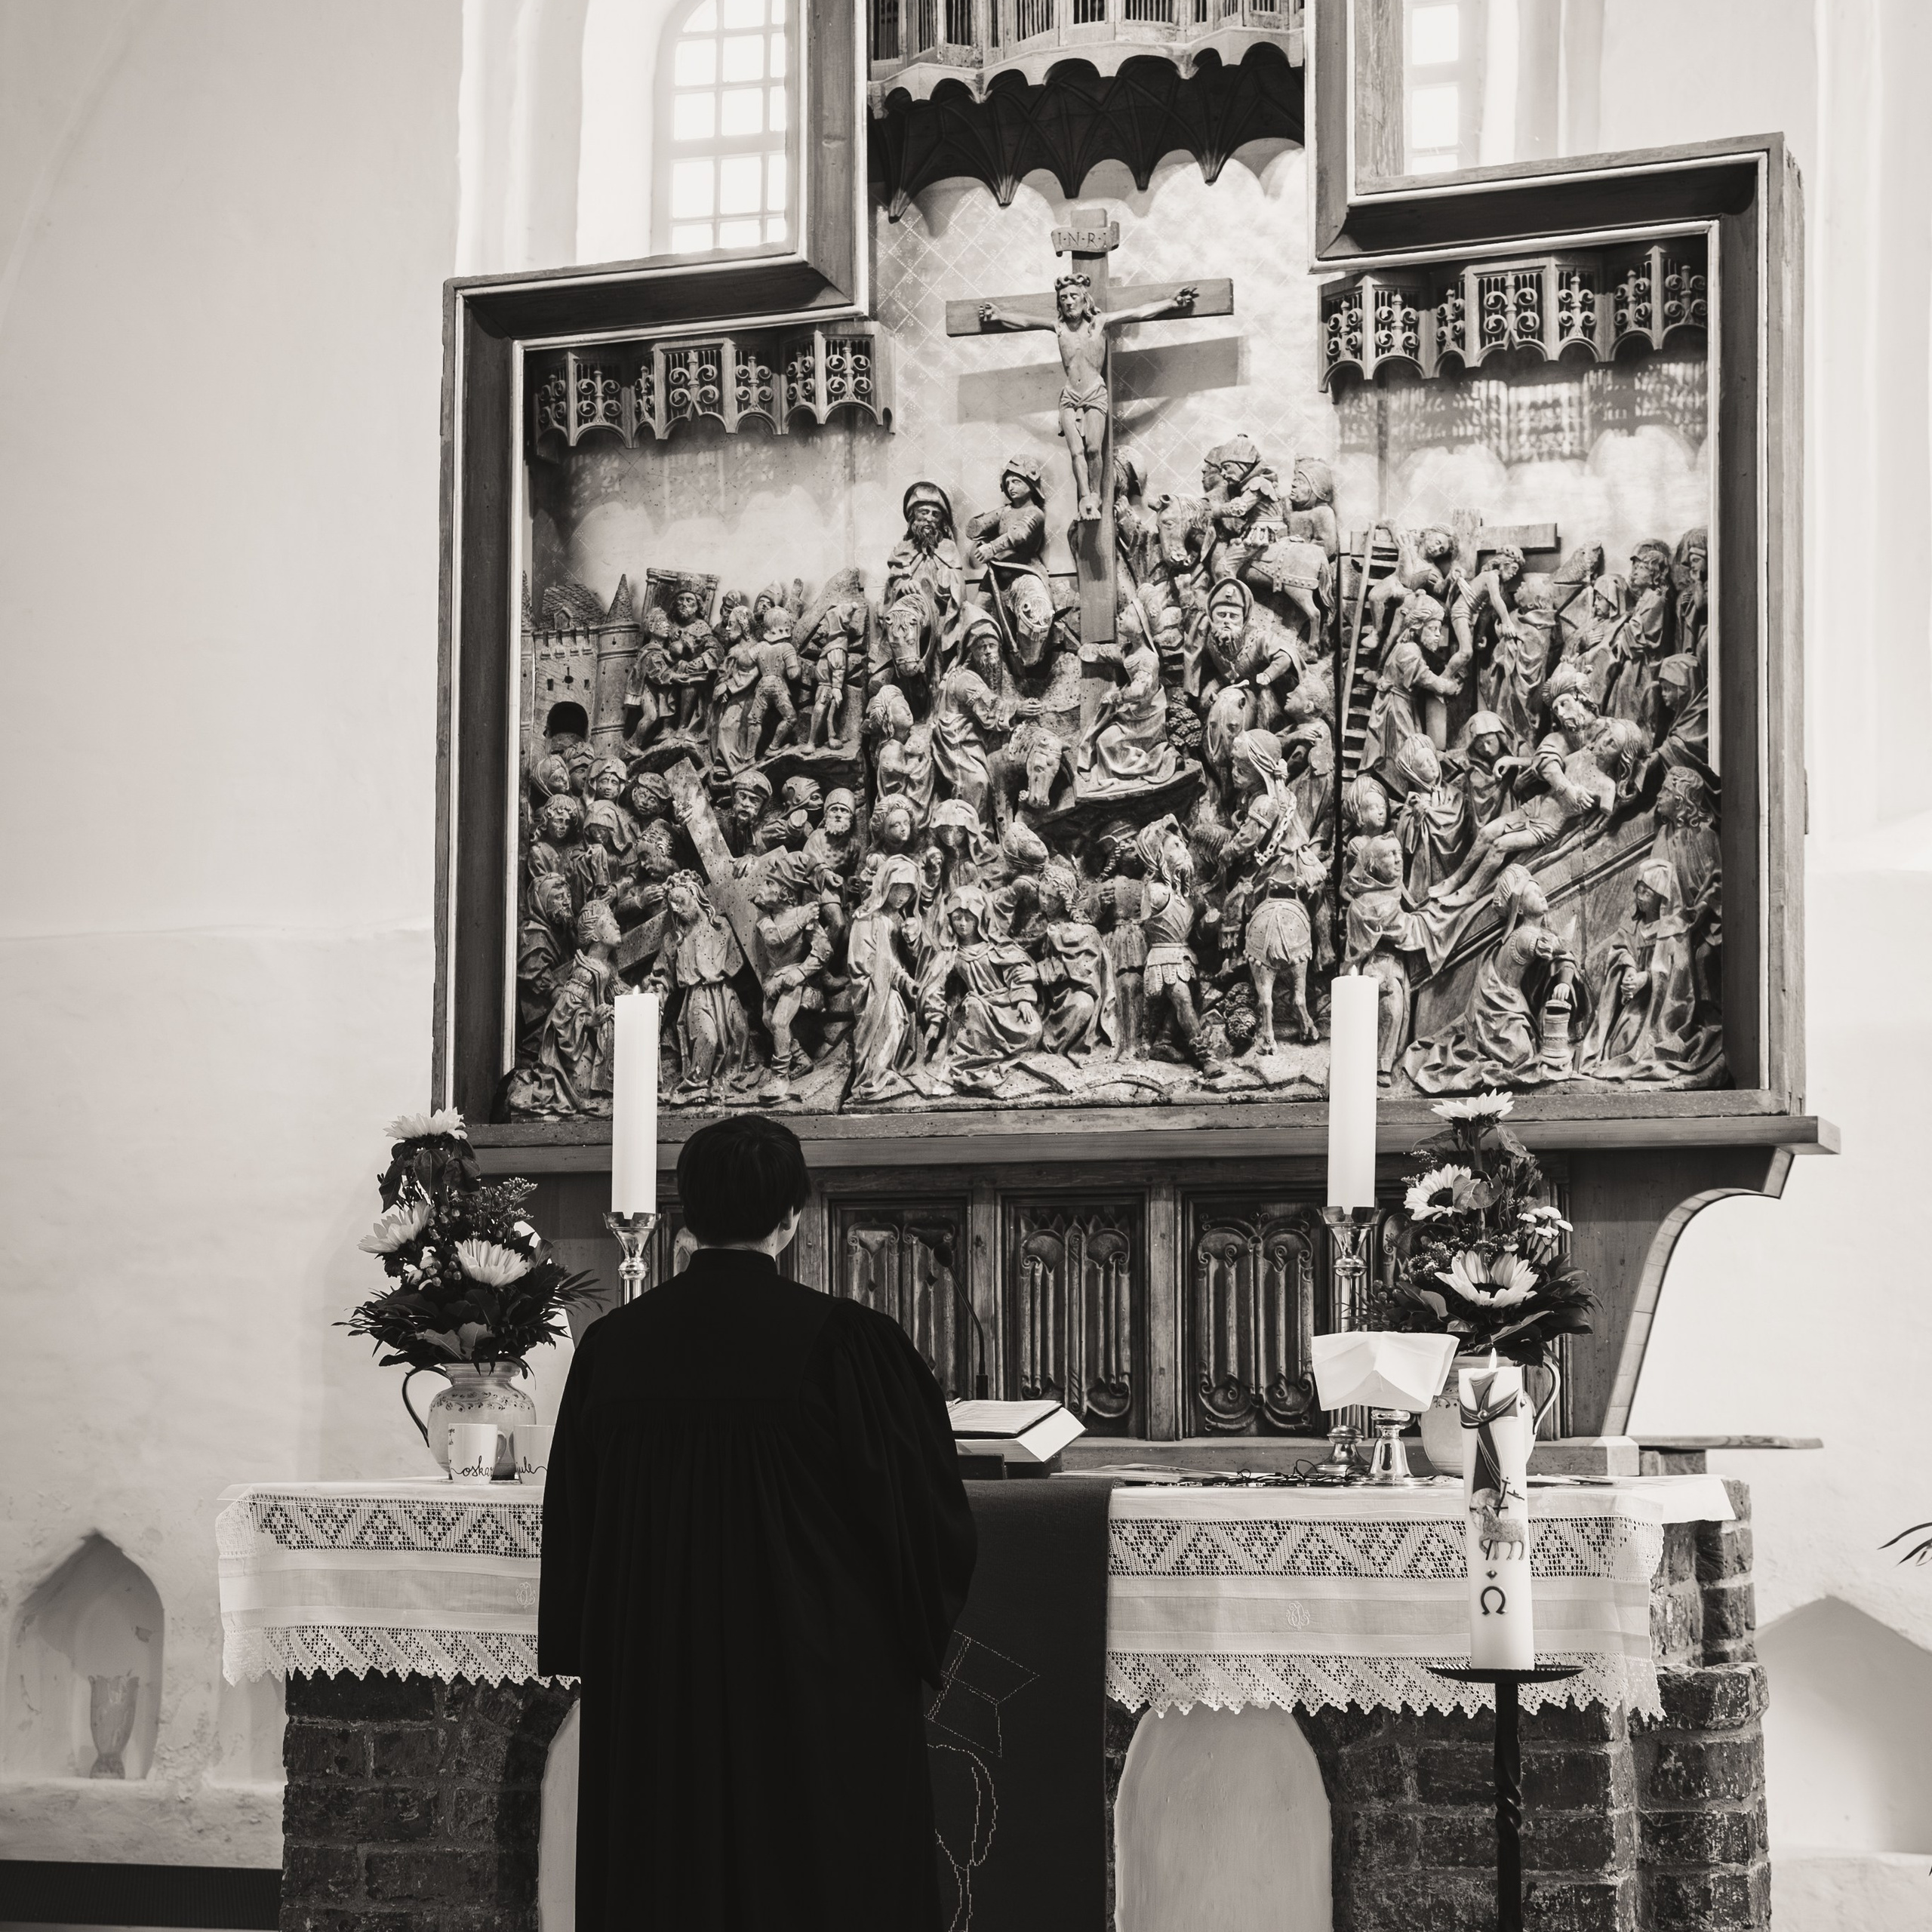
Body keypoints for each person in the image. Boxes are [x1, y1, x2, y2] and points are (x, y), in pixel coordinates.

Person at [540, 1115, 977, 1932]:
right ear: (792, 1216)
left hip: (654, 1685)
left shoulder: (613, 1347)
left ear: (685, 1213)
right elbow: (924, 1522)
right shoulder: (854, 1346)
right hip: (813, 1684)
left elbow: (575, 1524)